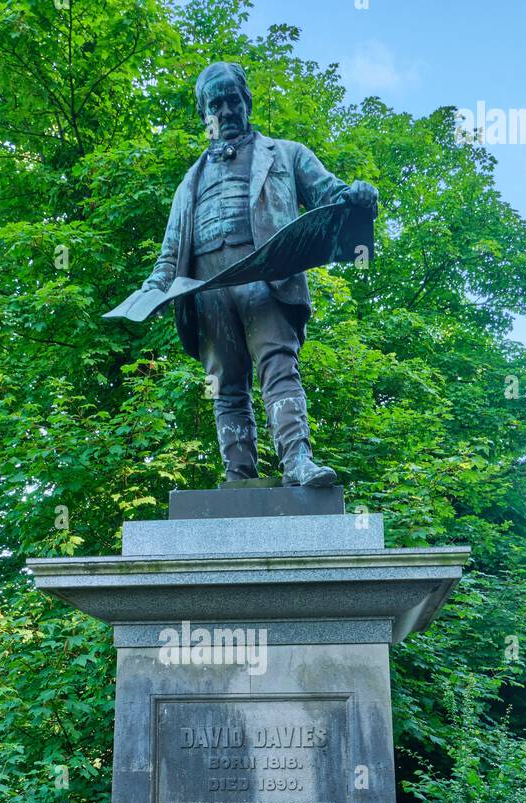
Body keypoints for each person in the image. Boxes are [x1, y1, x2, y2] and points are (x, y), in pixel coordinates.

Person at [140, 60, 378, 486]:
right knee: (225, 385)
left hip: (265, 272)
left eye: (234, 100)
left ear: (246, 102)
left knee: (278, 366)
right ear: (204, 116)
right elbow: (170, 252)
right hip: (205, 287)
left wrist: (357, 196)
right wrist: (153, 292)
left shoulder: (286, 154)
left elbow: (331, 194)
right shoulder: (188, 183)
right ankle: (238, 476)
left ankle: (298, 461)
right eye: (217, 104)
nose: (227, 111)